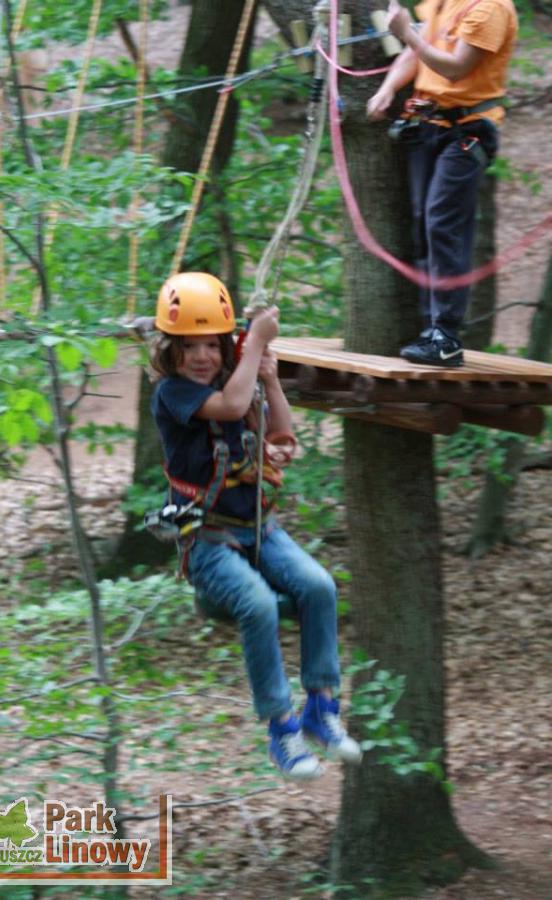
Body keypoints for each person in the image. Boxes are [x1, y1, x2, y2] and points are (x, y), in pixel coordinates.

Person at [150, 271, 362, 779]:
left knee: (320, 587)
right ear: (171, 352)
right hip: (209, 541)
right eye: (189, 347)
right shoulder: (173, 394)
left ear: (225, 348)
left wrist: (269, 378)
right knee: (259, 605)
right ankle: (282, 728)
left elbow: (282, 433)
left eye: (212, 345)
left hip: (260, 530)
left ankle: (321, 708)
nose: (202, 357)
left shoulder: (237, 383)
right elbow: (229, 407)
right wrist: (257, 345)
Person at [367, 0, 518, 367]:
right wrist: (389, 87)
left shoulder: (490, 8)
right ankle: (430, 329)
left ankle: (446, 335)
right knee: (424, 224)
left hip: (469, 129)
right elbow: (419, 50)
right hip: (429, 124)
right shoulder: (441, 2)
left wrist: (405, 32)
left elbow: (455, 67)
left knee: (443, 221)